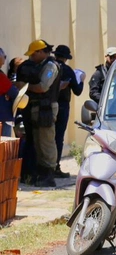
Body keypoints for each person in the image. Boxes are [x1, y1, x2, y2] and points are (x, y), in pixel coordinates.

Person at [16, 40, 62, 187]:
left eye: (33, 54)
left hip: (46, 109)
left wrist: (25, 86)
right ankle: (42, 174)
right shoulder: (41, 65)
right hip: (39, 109)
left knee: (46, 142)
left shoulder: (50, 66)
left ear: (42, 52)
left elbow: (43, 87)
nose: (31, 58)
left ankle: (49, 175)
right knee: (38, 142)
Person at [52, 45, 84, 177]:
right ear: (65, 58)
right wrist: (81, 80)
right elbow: (77, 91)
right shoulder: (67, 70)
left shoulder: (49, 67)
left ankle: (45, 166)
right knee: (58, 137)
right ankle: (56, 167)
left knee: (46, 137)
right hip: (63, 106)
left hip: (48, 105)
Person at [0, 48, 22, 137]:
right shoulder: (1, 77)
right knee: (4, 145)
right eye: (4, 57)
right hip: (2, 116)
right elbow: (14, 93)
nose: (4, 62)